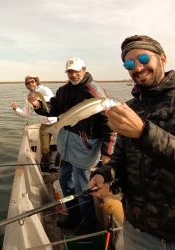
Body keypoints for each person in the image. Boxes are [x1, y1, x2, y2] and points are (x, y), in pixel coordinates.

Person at [89, 35, 175, 249]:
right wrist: (105, 174)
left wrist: (144, 132)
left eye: (144, 59)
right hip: (136, 228)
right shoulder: (130, 107)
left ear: (162, 59)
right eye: (129, 64)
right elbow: (120, 156)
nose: (137, 68)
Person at [28, 57, 116, 233]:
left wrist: (107, 152)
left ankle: (87, 225)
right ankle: (74, 216)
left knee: (82, 189)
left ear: (84, 69)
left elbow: (108, 124)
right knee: (65, 182)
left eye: (77, 71)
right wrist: (38, 105)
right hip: (65, 144)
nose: (73, 74)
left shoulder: (95, 92)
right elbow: (53, 108)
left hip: (85, 147)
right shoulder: (63, 90)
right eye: (70, 72)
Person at [10, 75, 57, 172]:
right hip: (44, 125)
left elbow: (51, 98)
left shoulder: (44, 89)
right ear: (26, 86)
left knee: (62, 145)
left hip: (56, 122)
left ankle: (59, 164)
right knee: (44, 149)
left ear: (36, 82)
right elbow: (25, 114)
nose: (30, 84)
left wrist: (37, 99)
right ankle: (47, 167)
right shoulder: (28, 98)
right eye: (28, 83)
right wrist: (16, 109)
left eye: (32, 81)